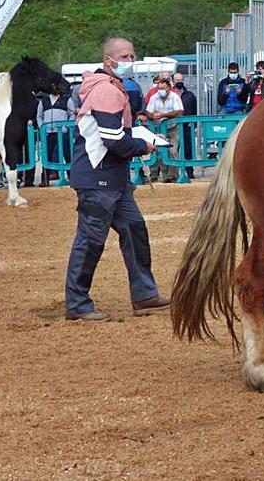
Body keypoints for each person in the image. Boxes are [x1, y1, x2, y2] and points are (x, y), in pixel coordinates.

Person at [65, 37, 168, 321]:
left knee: (134, 231)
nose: (130, 61)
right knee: (90, 240)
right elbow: (113, 140)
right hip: (98, 176)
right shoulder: (106, 92)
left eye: (132, 55)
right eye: (125, 56)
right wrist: (144, 146)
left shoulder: (108, 87)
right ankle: (77, 304)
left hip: (112, 178)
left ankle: (145, 295)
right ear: (108, 59)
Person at [141, 77, 184, 184]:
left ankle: (173, 176)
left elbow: (179, 111)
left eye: (163, 88)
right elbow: (148, 111)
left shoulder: (175, 97)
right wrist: (153, 116)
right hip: (158, 128)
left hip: (173, 128)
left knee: (172, 150)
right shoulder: (154, 97)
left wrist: (163, 115)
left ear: (169, 88)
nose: (160, 90)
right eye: (159, 88)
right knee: (157, 150)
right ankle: (161, 175)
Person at [36, 85, 73, 186]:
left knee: (68, 154)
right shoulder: (44, 101)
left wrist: (67, 126)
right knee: (46, 155)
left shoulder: (66, 99)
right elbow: (39, 116)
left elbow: (72, 113)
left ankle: (73, 178)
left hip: (63, 133)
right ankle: (45, 179)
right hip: (48, 133)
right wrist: (42, 127)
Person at [173, 74, 198, 179]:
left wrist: (193, 123)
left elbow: (194, 110)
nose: (180, 81)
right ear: (173, 81)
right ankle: (174, 173)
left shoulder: (190, 95)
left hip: (187, 126)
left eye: (181, 79)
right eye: (177, 80)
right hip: (173, 126)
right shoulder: (170, 94)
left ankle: (190, 171)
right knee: (174, 149)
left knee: (188, 149)